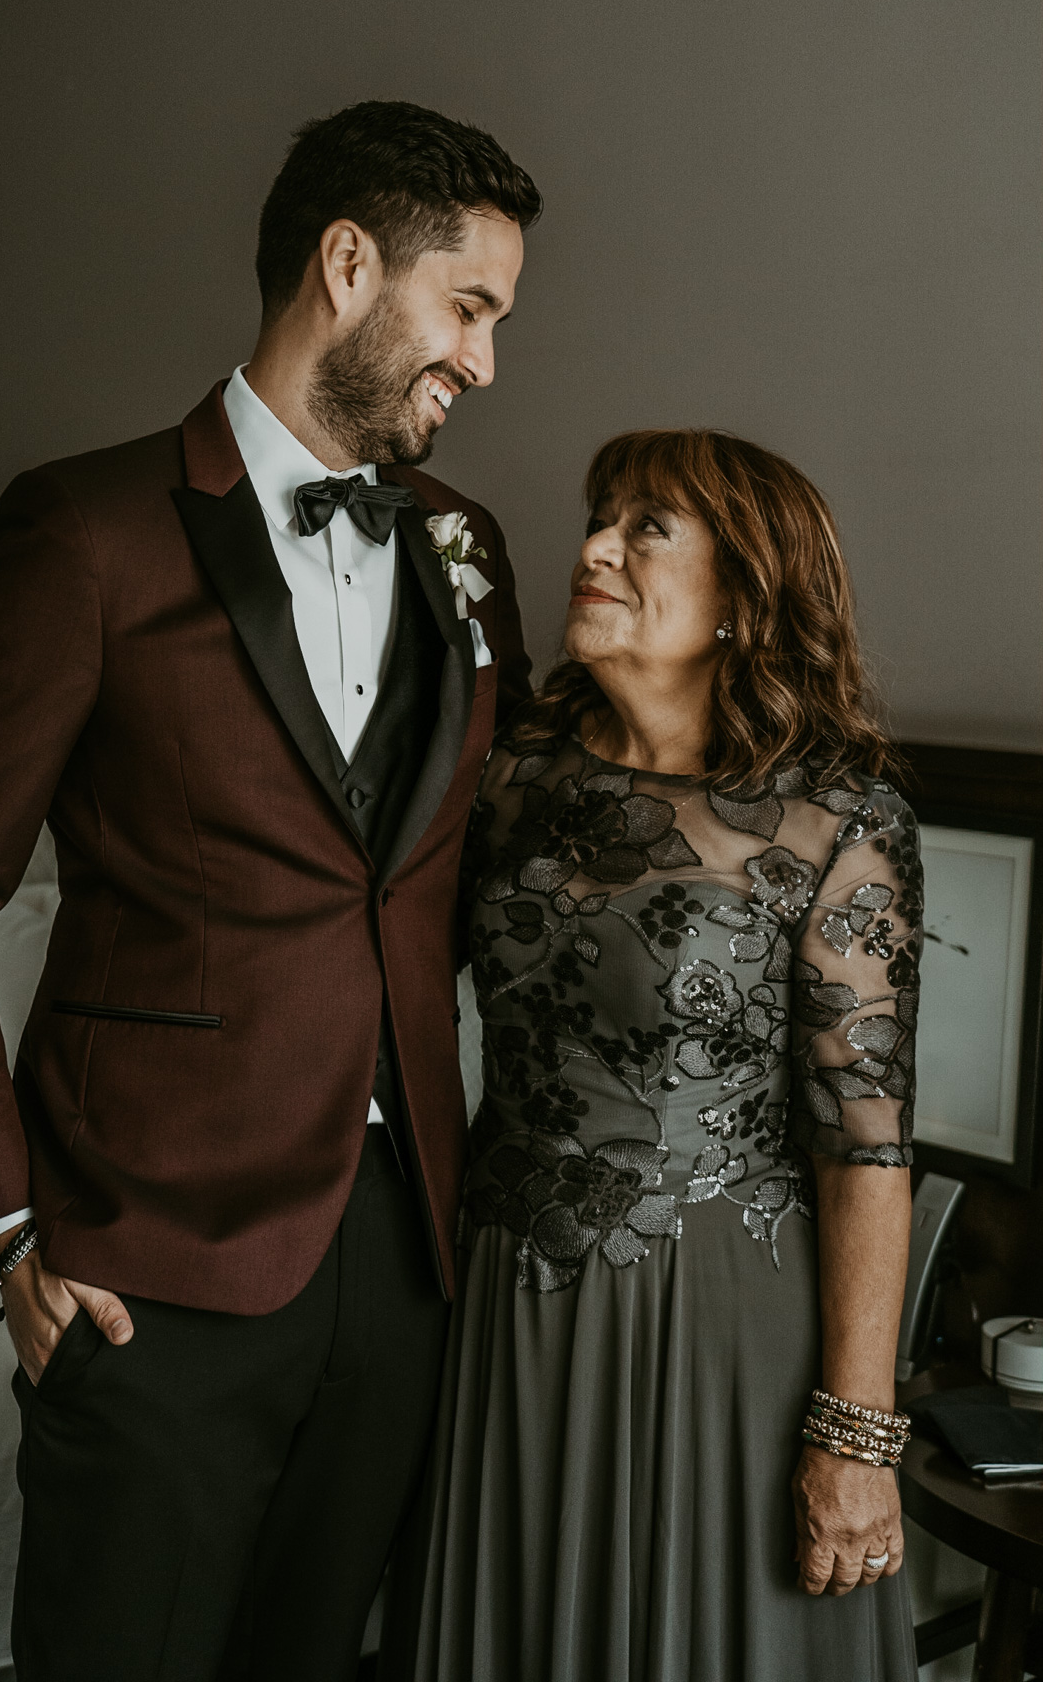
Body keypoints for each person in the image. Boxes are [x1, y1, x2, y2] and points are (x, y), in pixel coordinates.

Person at [0, 99, 541, 1682]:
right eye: (471, 308)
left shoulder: (466, 547)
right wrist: (9, 1236)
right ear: (348, 266)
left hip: (403, 1259)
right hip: (143, 1265)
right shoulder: (84, 534)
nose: (485, 363)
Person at [385, 430, 920, 1682]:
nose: (593, 550)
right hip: (501, 1303)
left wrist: (858, 1433)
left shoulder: (835, 815)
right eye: (598, 517)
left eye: (645, 529)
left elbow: (869, 1140)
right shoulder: (509, 770)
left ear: (742, 596)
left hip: (721, 1317)